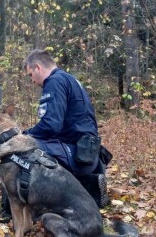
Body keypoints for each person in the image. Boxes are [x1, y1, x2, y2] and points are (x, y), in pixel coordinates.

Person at [22, 49, 109, 208]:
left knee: (23, 149)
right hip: (88, 153)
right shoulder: (69, 79)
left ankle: (24, 205)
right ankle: (89, 184)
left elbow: (50, 125)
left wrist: (25, 136)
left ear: (38, 67)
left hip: (77, 155)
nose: (32, 81)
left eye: (30, 75)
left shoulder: (54, 82)